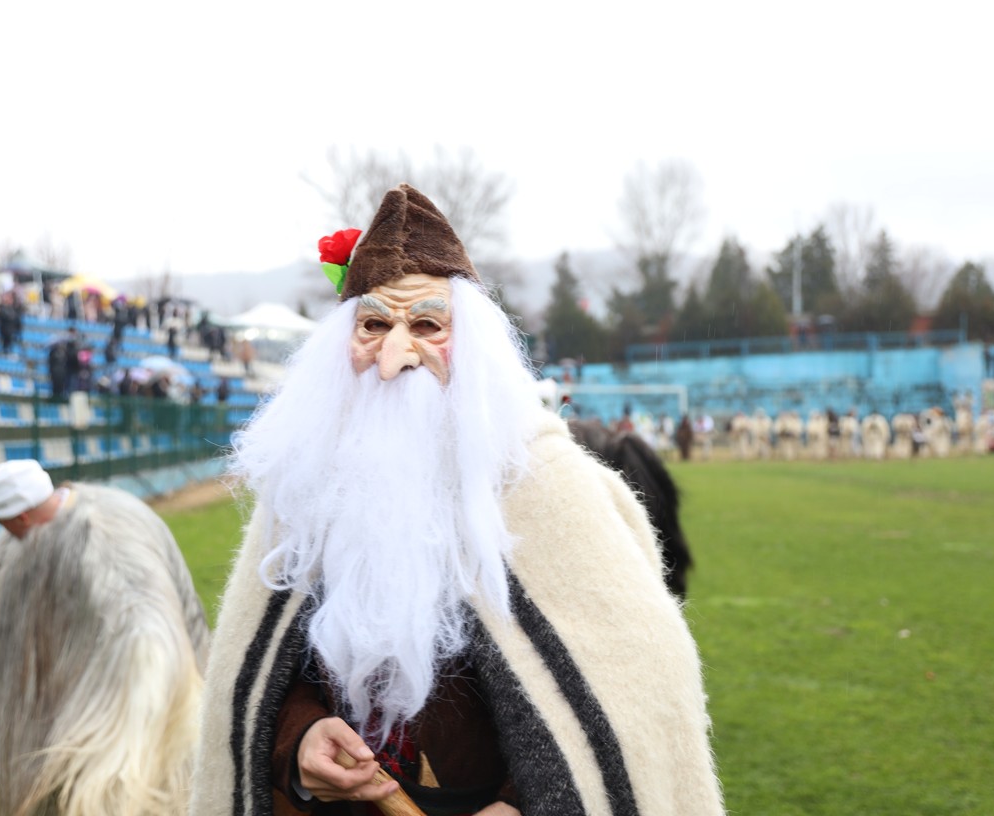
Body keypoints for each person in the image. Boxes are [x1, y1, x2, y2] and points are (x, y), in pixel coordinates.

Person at [191, 185, 722, 816]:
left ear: (471, 345)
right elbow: (260, 673)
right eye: (373, 326)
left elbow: (635, 682)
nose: (394, 358)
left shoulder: (548, 483)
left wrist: (521, 804)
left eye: (426, 326)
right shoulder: (306, 486)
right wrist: (298, 739)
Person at [0, 460, 212, 816]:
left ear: (21, 518)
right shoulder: (41, 536)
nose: (2, 531)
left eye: (3, 522)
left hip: (140, 684)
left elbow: (145, 634)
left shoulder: (104, 537)